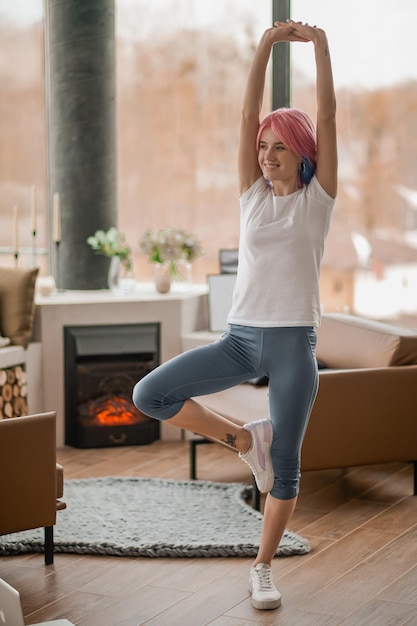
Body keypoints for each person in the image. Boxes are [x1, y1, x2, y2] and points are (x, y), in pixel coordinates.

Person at [133, 19, 337, 611]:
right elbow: (244, 114)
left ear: (301, 153)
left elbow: (330, 117)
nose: (267, 155)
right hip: (241, 341)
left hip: (294, 344)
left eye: (280, 146)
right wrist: (263, 46)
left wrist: (319, 48)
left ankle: (263, 567)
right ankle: (245, 439)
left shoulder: (317, 201)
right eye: (262, 146)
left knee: (290, 468)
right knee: (150, 395)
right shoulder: (250, 196)